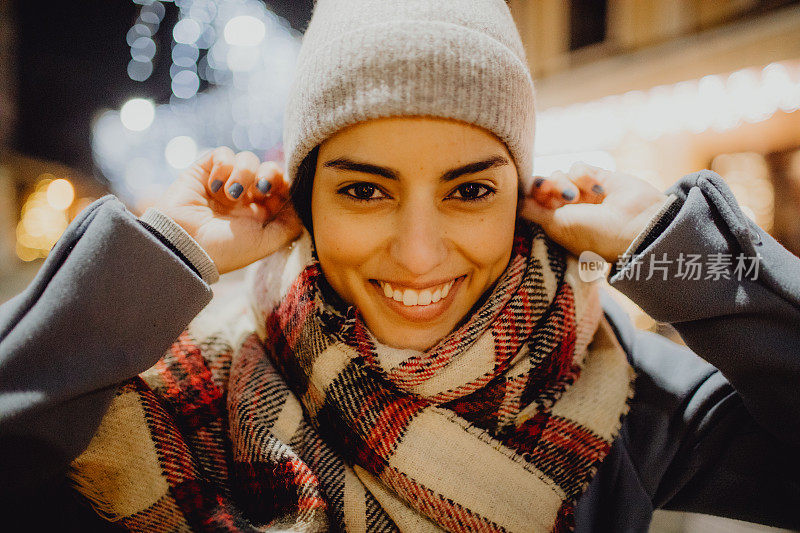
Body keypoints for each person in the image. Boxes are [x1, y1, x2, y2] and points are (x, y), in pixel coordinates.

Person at [1, 1, 799, 531]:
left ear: (521, 196)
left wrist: (670, 240)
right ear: (307, 199)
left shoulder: (622, 396)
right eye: (363, 189)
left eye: (471, 189)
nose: (419, 251)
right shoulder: (188, 395)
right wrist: (163, 249)